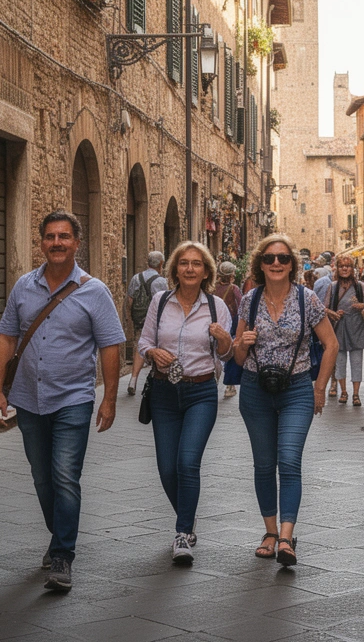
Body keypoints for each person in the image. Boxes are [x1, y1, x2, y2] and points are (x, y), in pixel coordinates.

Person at [0, 211, 126, 592]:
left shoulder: (94, 291)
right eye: (50, 236)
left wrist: (109, 399)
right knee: (41, 476)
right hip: (28, 399)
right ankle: (59, 536)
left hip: (73, 397)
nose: (56, 243)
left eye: (64, 237)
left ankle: (63, 555)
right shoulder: (23, 286)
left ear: (76, 243)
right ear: (41, 242)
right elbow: (6, 337)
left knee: (65, 476)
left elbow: (111, 346)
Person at [232, 234, 339, 566]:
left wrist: (319, 388)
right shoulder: (249, 300)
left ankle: (287, 537)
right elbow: (236, 358)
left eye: (282, 258)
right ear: (260, 265)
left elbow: (331, 344)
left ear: (292, 264)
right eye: (269, 259)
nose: (276, 263)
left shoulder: (308, 300)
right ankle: (269, 531)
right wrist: (242, 344)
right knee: (264, 464)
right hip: (254, 388)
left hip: (296, 389)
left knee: (289, 461)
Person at [138, 242, 234, 565]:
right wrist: (152, 353)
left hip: (201, 392)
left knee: (187, 463)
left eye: (196, 264)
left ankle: (182, 533)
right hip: (164, 393)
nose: (190, 269)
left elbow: (226, 354)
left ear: (206, 270)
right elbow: (143, 342)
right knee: (167, 468)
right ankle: (188, 517)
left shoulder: (217, 306)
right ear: (175, 269)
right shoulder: (160, 302)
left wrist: (224, 339)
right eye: (184, 263)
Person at [323, 255, 364, 405]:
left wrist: (362, 307)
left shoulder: (360, 287)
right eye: (342, 266)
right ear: (337, 268)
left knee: (357, 362)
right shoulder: (333, 286)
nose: (345, 268)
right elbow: (324, 309)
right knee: (340, 361)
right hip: (339, 328)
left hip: (356, 327)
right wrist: (334, 314)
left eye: (348, 266)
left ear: (352, 269)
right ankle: (343, 391)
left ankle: (356, 394)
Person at [126, 252, 169, 395]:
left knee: (140, 345)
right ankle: (158, 378)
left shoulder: (135, 278)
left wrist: (130, 318)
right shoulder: (161, 281)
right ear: (161, 264)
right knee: (159, 346)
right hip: (156, 320)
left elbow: (130, 300)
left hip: (139, 318)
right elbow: (164, 303)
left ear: (148, 263)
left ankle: (133, 379)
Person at [213, 261, 244, 398]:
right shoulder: (234, 289)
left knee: (213, 351)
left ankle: (213, 379)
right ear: (232, 275)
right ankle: (229, 386)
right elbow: (241, 307)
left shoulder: (212, 287)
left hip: (213, 322)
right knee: (229, 352)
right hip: (230, 323)